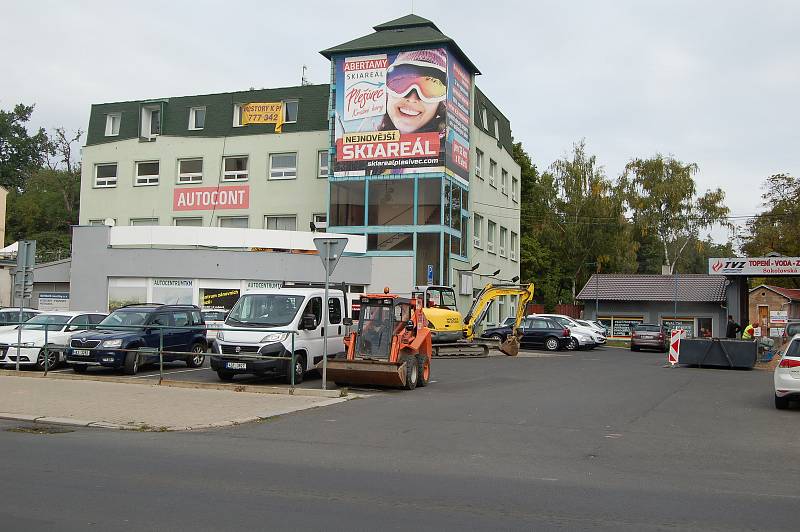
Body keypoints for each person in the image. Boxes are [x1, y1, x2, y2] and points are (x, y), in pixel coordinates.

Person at [379, 49, 448, 136]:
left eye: (430, 88)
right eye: (402, 82)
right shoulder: (367, 145)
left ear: (440, 105)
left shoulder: (446, 147)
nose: (412, 99)